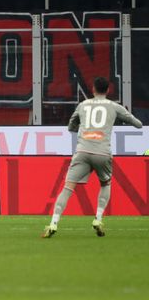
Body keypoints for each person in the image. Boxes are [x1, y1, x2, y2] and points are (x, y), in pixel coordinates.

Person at [43, 77, 142, 238]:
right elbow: (136, 123)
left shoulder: (83, 105)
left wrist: (81, 129)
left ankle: (54, 222)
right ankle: (98, 218)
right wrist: (130, 122)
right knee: (105, 183)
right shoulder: (114, 106)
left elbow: (71, 126)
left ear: (93, 89)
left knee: (68, 187)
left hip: (82, 151)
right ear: (108, 90)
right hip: (102, 152)